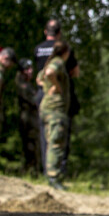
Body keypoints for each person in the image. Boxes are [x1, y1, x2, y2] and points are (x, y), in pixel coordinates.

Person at [33, 19, 80, 177]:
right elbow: (75, 72)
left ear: (46, 32)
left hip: (42, 95)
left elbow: (38, 76)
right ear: (59, 33)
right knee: (60, 133)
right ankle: (59, 170)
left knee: (44, 134)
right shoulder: (62, 52)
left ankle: (47, 169)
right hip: (57, 97)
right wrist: (58, 86)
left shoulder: (38, 49)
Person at [37, 41, 72, 190]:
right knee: (56, 142)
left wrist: (47, 88)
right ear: (66, 52)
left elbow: (39, 78)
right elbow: (49, 73)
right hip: (55, 109)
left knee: (51, 140)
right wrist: (57, 87)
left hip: (46, 107)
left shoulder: (48, 62)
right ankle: (53, 177)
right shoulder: (57, 62)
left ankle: (50, 174)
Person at [15, 58, 41, 174]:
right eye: (27, 69)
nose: (30, 71)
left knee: (34, 144)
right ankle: (31, 169)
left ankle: (34, 168)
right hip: (28, 118)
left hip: (31, 117)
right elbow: (34, 100)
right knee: (30, 145)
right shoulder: (22, 84)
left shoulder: (26, 84)